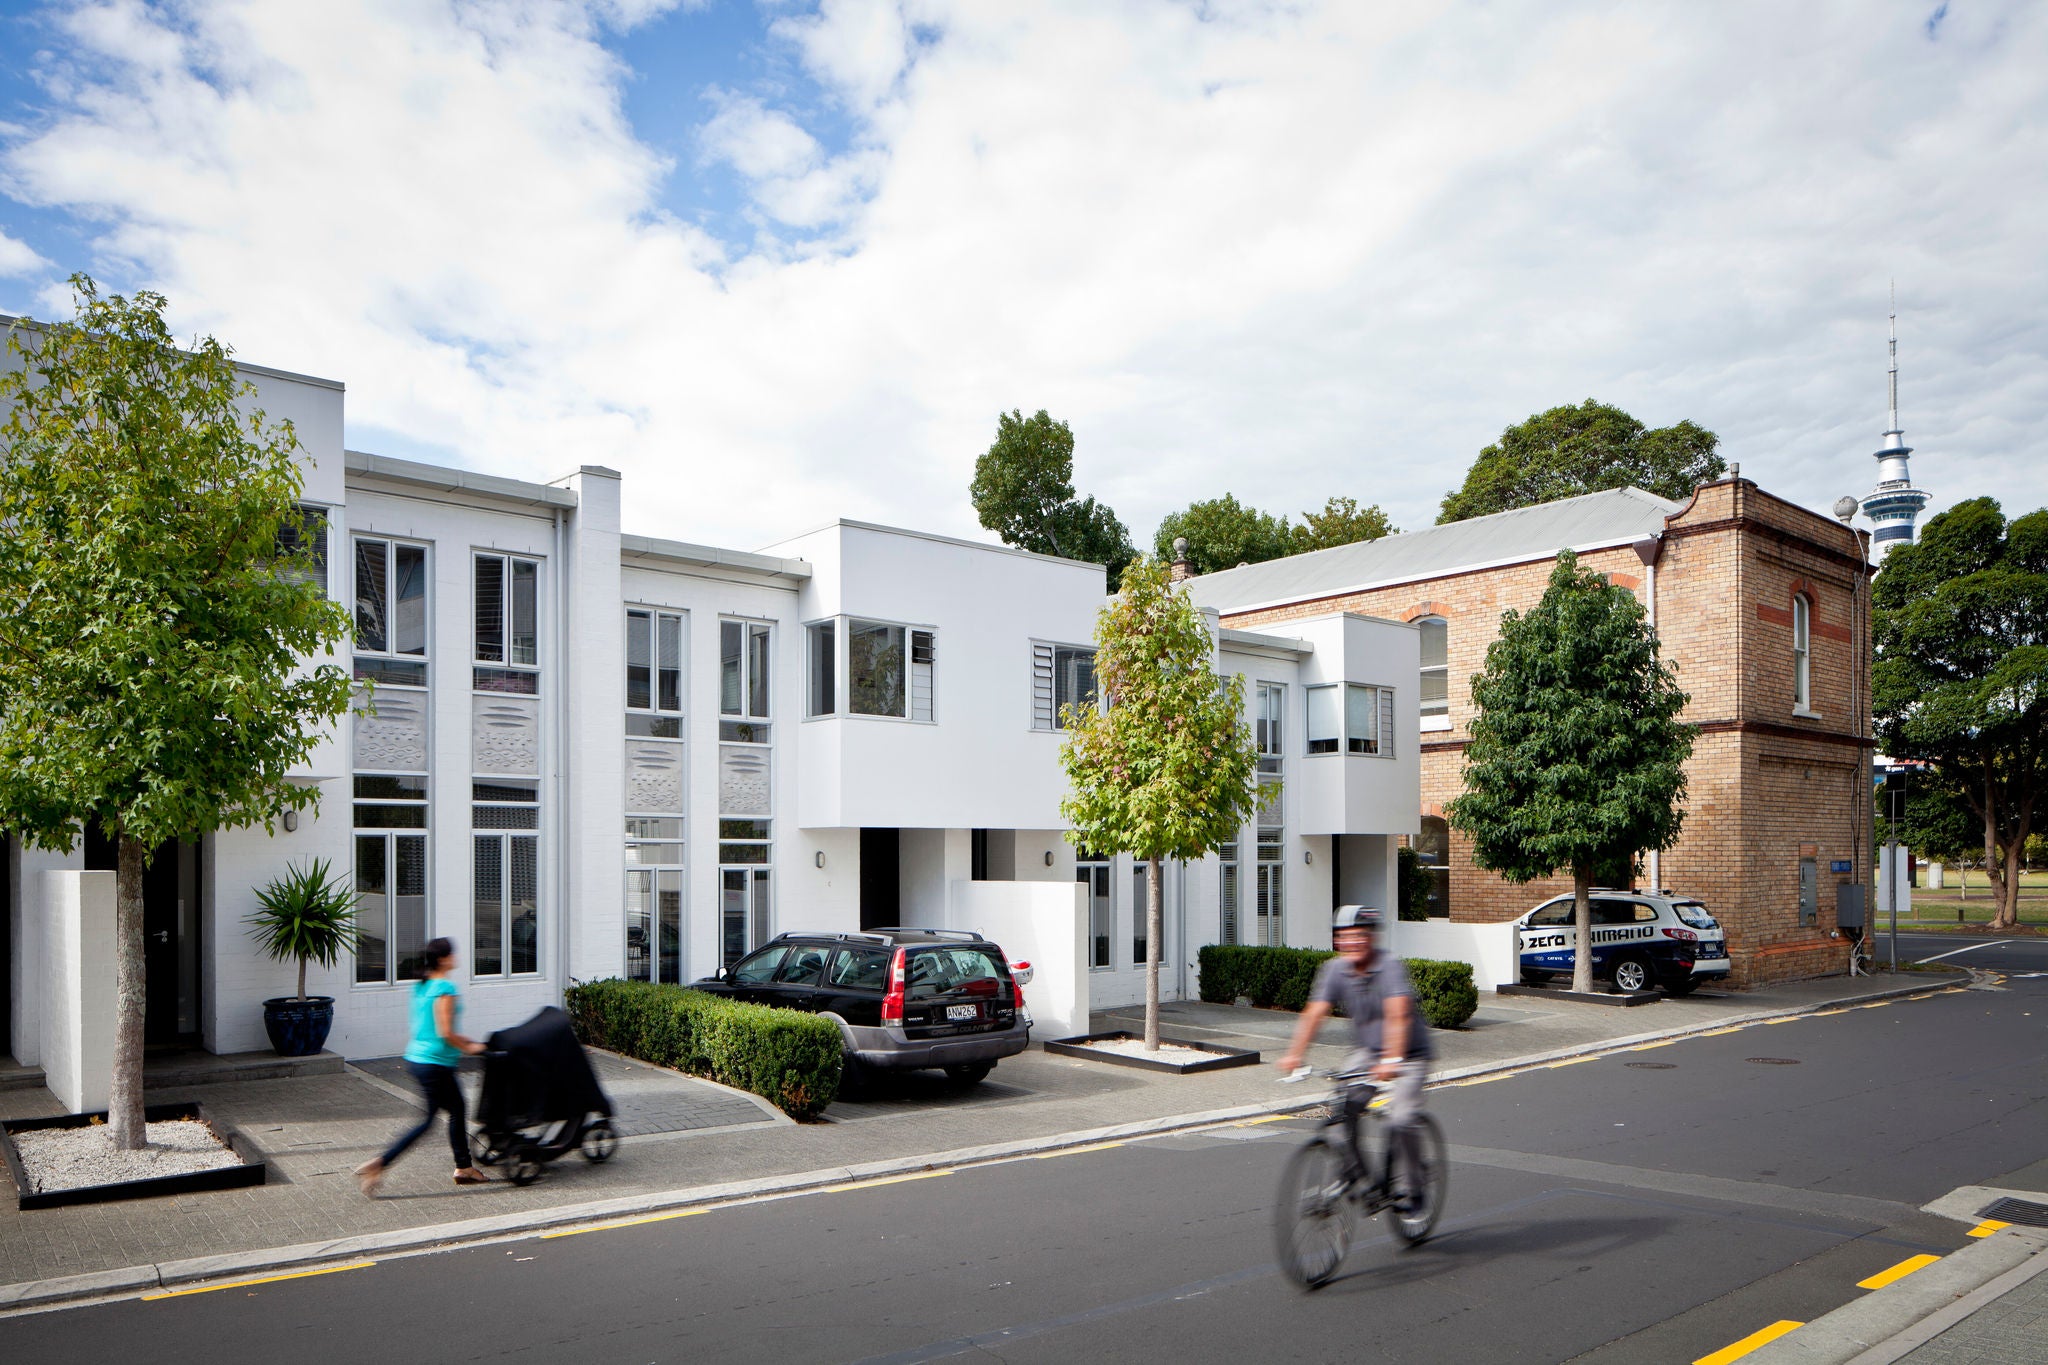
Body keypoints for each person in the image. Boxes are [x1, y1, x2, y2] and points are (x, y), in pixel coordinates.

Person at [1276, 906, 1433, 1196]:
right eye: (1345, 937)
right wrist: (1295, 1054)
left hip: (1408, 1054)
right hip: (1369, 1052)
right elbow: (1314, 1013)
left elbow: (1398, 1014)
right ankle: (1357, 1172)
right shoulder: (1335, 969)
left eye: (1359, 935)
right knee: (1343, 1106)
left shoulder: (1389, 967)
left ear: (1371, 937)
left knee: (1401, 1119)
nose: (1352, 943)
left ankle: (1415, 1186)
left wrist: (1392, 1059)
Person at [355, 937, 487, 1194]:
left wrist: (465, 1040)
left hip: (418, 1058)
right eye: (452, 954)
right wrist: (471, 1047)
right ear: (443, 959)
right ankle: (380, 1164)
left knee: (456, 1109)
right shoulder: (445, 989)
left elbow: (430, 1026)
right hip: (434, 1063)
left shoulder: (421, 985)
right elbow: (445, 1031)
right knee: (429, 1121)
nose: (455, 957)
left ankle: (463, 1167)